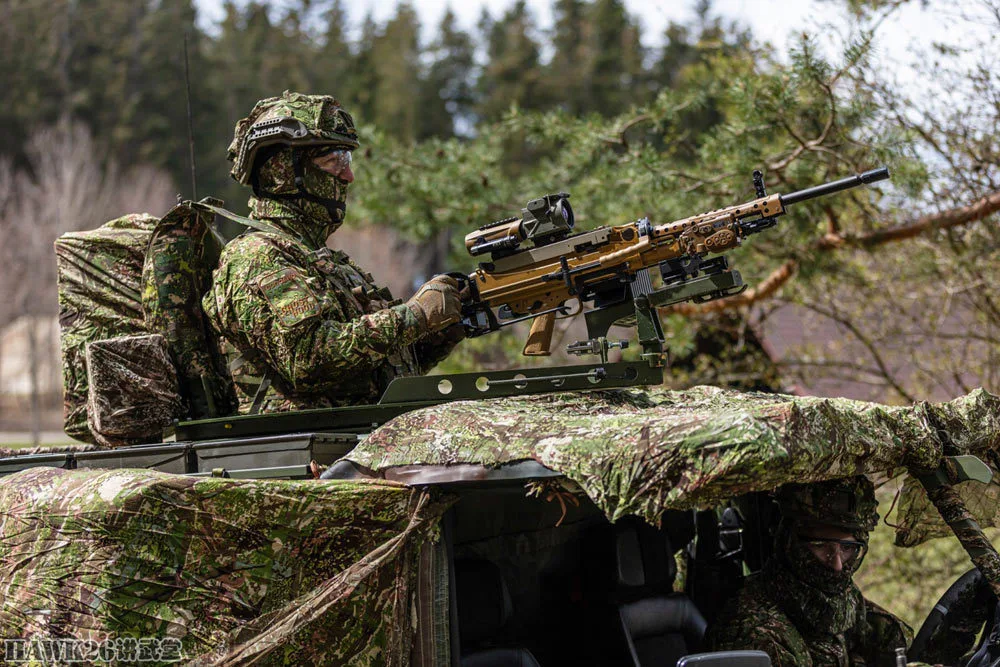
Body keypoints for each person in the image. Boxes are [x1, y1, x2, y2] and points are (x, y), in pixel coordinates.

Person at [203, 91, 465, 413]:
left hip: (358, 438)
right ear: (284, 171)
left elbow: (371, 369)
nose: (348, 176)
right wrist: (415, 315)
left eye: (347, 161)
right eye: (334, 161)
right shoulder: (256, 257)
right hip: (311, 449)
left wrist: (443, 328)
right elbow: (310, 358)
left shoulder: (322, 261)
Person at [704, 476, 912, 666]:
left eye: (847, 548)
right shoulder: (755, 630)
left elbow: (892, 640)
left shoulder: (840, 601)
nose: (837, 564)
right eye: (821, 546)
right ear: (790, 542)